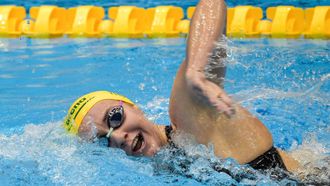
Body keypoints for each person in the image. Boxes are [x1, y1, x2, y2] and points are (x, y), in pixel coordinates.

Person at [64, 0, 299, 173]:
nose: (117, 138)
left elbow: (212, 3)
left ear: (131, 105)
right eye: (103, 140)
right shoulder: (162, 168)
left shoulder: (190, 121)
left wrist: (196, 71)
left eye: (114, 118)